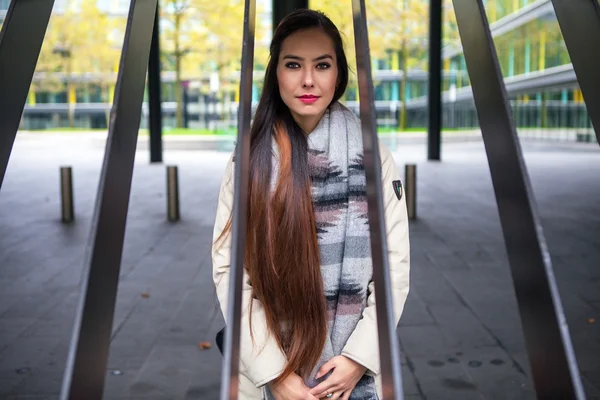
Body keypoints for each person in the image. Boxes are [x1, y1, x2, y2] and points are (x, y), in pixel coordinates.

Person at [211, 8, 410, 400]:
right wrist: (276, 376)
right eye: (292, 64)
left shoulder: (372, 154)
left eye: (322, 65)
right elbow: (231, 269)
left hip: (351, 375)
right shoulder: (249, 159)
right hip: (265, 375)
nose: (307, 80)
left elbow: (393, 264)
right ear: (276, 74)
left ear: (339, 74)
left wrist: (357, 359)